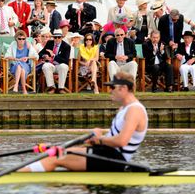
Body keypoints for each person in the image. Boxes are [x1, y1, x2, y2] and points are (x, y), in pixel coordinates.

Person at [19, 71, 148, 172]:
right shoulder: (124, 108)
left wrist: (99, 139)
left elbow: (122, 141)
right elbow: (115, 137)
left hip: (115, 160)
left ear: (123, 88)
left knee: (55, 157)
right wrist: (98, 138)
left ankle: (18, 175)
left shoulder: (135, 110)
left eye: (113, 87)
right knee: (58, 151)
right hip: (107, 153)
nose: (110, 90)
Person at [5, 30, 39, 94]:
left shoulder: (28, 44)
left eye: (23, 39)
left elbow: (36, 56)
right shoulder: (13, 44)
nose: (21, 40)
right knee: (20, 67)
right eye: (19, 39)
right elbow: (6, 56)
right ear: (16, 39)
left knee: (21, 67)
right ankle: (24, 90)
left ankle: (16, 85)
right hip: (14, 65)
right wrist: (16, 59)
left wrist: (27, 58)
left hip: (26, 65)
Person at [38, 29, 71, 94]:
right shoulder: (50, 43)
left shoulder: (66, 46)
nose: (57, 39)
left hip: (60, 65)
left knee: (63, 66)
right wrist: (45, 56)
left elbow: (66, 61)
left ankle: (61, 88)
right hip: (51, 65)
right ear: (53, 37)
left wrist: (54, 56)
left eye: (59, 37)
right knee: (46, 66)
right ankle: (52, 87)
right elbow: (40, 54)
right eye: (55, 37)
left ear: (62, 37)